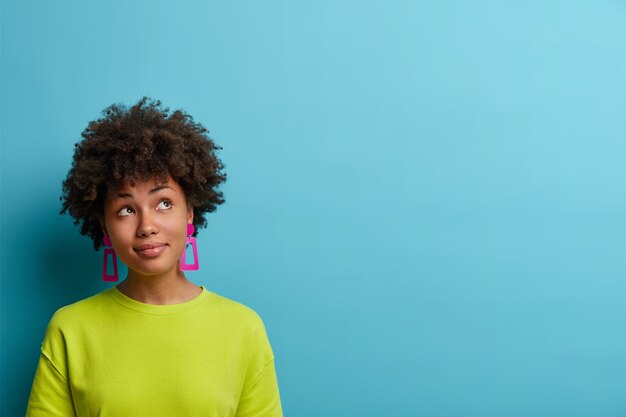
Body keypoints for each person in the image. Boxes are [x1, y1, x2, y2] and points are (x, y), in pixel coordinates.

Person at [25, 97, 284, 417]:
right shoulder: (70, 329)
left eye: (163, 203)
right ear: (104, 225)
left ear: (189, 211)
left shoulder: (244, 328)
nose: (147, 226)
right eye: (126, 210)